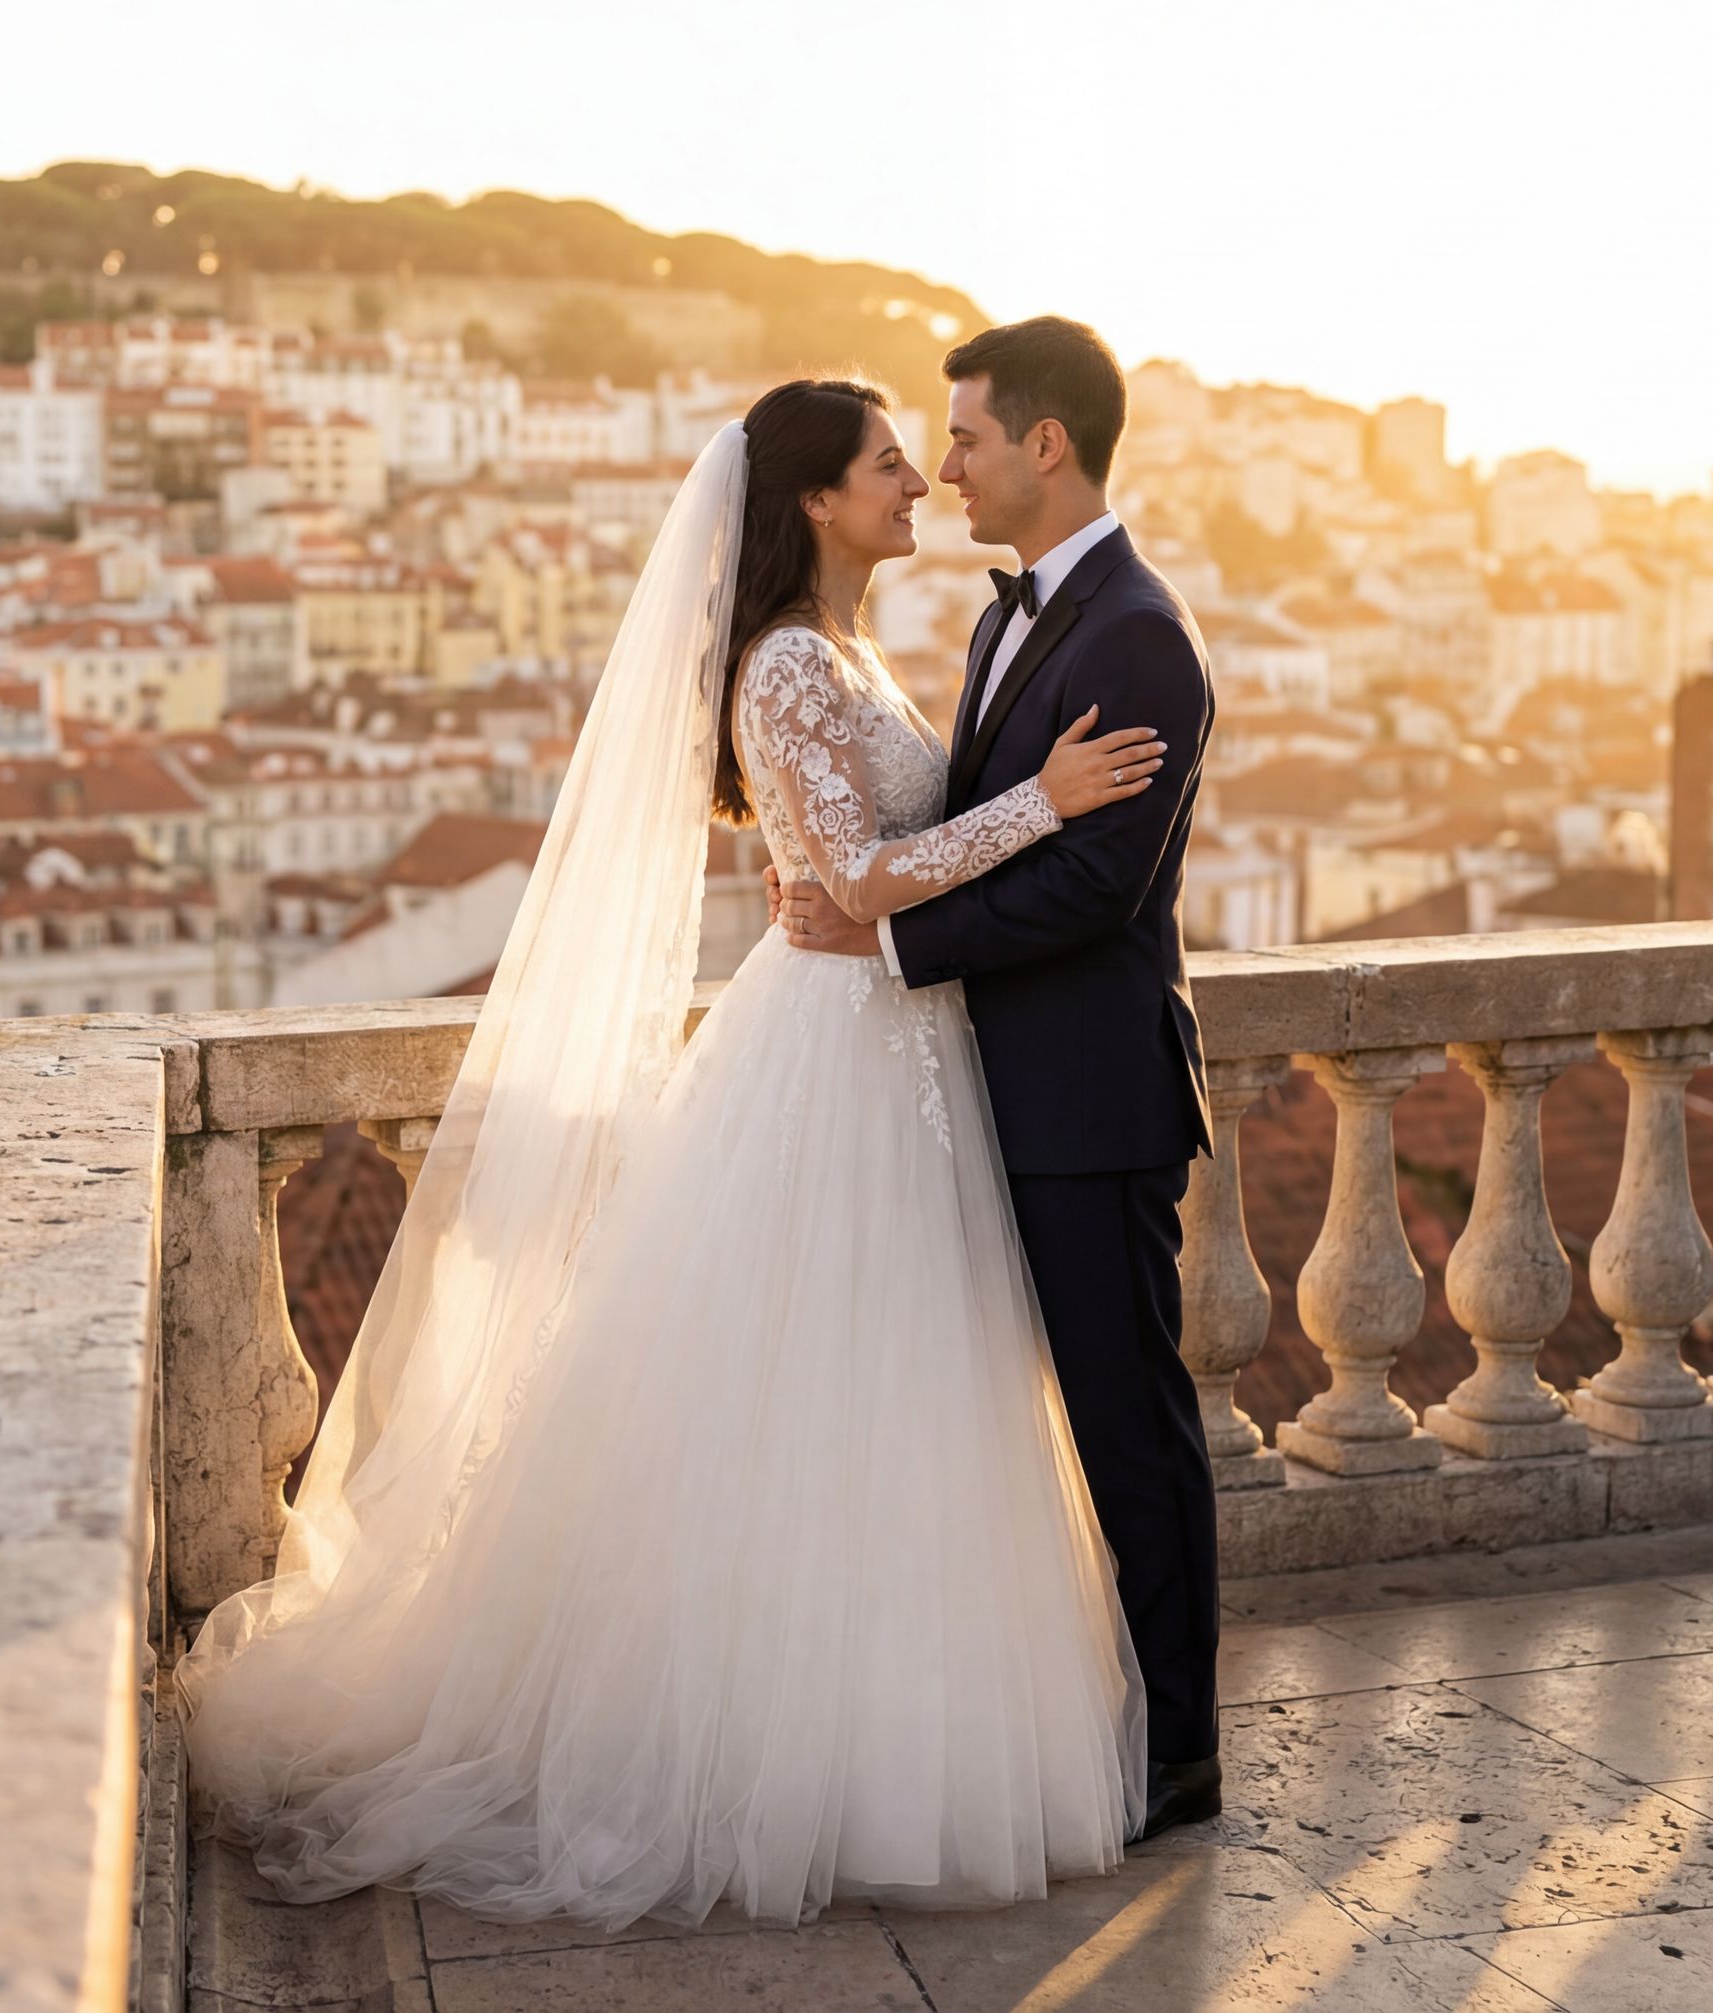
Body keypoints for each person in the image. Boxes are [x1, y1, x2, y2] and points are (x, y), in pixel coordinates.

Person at [179, 368, 1178, 1931]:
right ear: (813, 500)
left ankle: (884, 1743)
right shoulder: (785, 664)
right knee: (805, 1398)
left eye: (933, 457)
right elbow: (845, 870)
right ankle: (784, 1756)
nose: (919, 484)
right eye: (892, 465)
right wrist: (1040, 806)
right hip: (831, 1053)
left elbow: (862, 878)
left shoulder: (847, 649)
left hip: (899, 1044)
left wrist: (946, 858)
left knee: (902, 1403)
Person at [775, 315, 1223, 1842]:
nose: (942, 464)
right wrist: (872, 904)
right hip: (980, 1094)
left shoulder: (1140, 635)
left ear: (1046, 445)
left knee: (1123, 1421)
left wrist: (888, 945)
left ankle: (1179, 1745)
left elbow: (1095, 885)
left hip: (1087, 1102)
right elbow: (972, 823)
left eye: (960, 437)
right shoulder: (1003, 622)